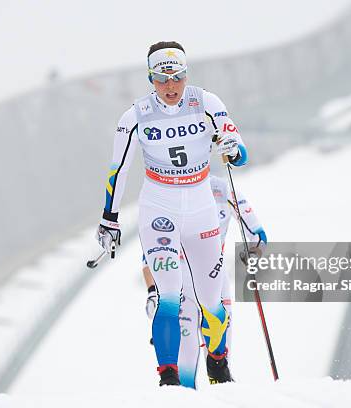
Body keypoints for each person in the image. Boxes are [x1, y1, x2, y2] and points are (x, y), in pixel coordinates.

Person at [96, 41, 248, 386]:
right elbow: (118, 170)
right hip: (158, 209)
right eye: (161, 79)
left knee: (211, 299)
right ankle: (169, 376)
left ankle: (218, 359)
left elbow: (240, 152)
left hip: (200, 209)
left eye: (176, 77)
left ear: (185, 75)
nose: (170, 87)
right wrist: (110, 219)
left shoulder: (207, 102)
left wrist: (233, 149)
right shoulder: (134, 116)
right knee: (169, 291)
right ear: (150, 79)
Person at [143, 175, 267, 388]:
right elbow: (148, 258)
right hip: (179, 289)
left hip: (215, 283)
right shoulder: (166, 190)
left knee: (219, 369)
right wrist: (153, 292)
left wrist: (255, 251)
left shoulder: (222, 188)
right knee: (183, 377)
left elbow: (257, 234)